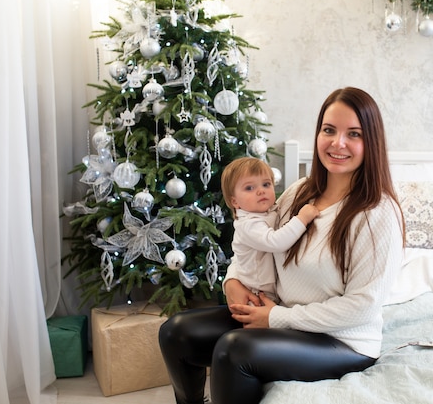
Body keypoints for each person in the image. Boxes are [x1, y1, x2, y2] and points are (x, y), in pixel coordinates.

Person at [158, 87, 405, 404]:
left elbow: (363, 307)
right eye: (329, 130)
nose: (337, 143)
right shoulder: (300, 192)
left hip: (342, 340)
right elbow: (256, 241)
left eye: (353, 134)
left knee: (235, 351)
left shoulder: (378, 213)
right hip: (282, 318)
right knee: (176, 332)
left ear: (371, 142)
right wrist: (232, 280)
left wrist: (275, 319)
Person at [220, 157, 320, 302]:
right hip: (254, 293)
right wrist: (302, 219)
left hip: (267, 291)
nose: (261, 191)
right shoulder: (248, 224)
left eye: (266, 184)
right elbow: (275, 242)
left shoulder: (267, 212)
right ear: (235, 201)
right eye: (249, 188)